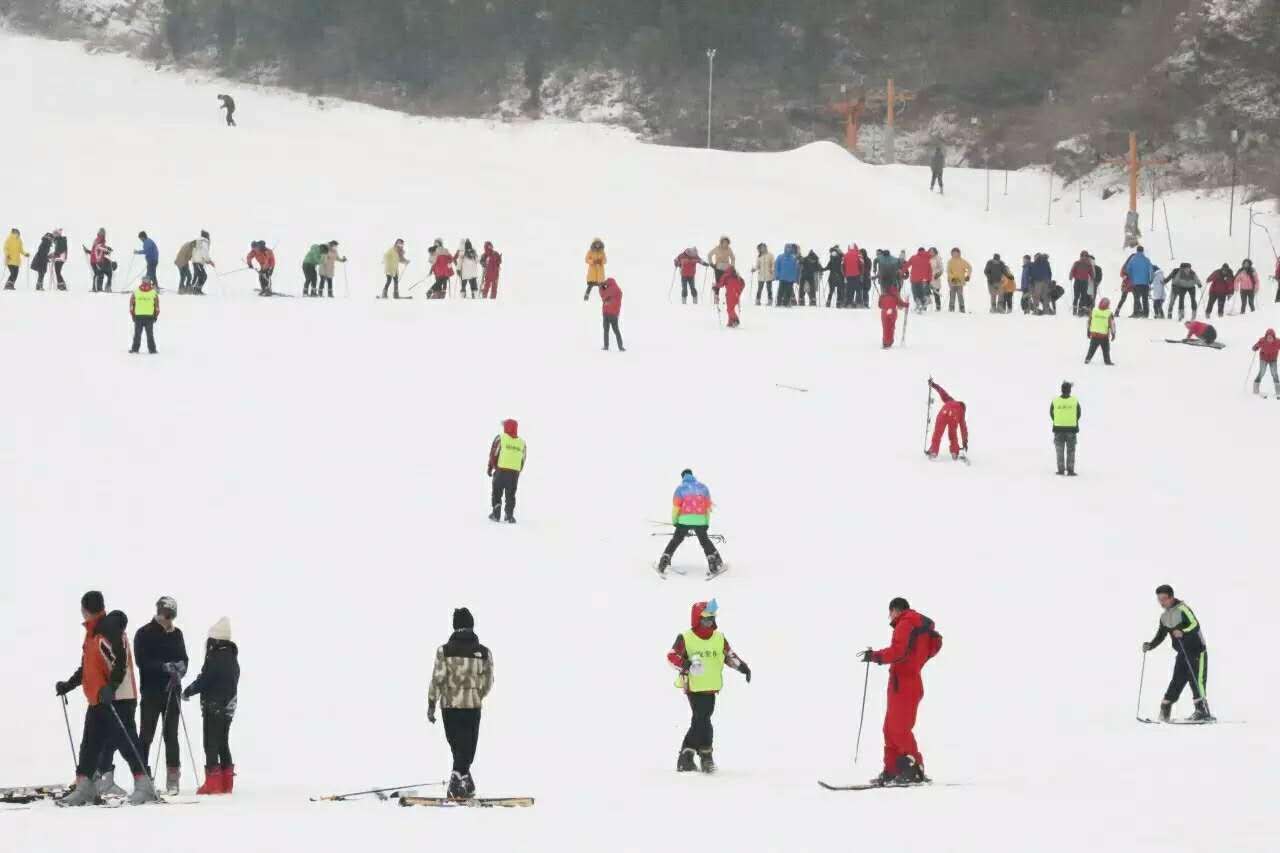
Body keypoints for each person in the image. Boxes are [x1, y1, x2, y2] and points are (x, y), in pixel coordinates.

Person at [55, 590, 157, 806]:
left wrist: (111, 687)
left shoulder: (107, 628)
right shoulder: (93, 633)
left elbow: (120, 661)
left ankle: (145, 786)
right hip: (100, 698)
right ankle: (85, 787)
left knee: (127, 742)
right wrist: (68, 685)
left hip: (118, 698)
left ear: (85, 609)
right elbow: (88, 669)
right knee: (90, 744)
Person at [858, 597, 942, 786]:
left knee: (899, 729)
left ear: (896, 610)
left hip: (904, 683)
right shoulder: (917, 626)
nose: (890, 617)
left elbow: (898, 651)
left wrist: (876, 656)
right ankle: (893, 770)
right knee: (890, 729)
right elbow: (919, 652)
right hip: (905, 682)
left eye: (890, 613)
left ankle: (914, 768)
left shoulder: (905, 623)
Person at [666, 599, 750, 774]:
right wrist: (686, 664)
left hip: (711, 686)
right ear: (696, 620)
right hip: (694, 686)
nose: (709, 623)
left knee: (701, 720)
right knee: (703, 719)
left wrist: (742, 667)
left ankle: (688, 755)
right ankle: (704, 756)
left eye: (711, 619)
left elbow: (728, 655)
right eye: (705, 619)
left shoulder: (719, 637)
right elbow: (672, 656)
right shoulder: (686, 637)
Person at [427, 607, 494, 800]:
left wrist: (432, 702)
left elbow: (437, 679)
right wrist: (477, 694)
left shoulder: (444, 651)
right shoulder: (483, 652)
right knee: (468, 746)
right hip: (472, 706)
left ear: (454, 626)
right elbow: (488, 680)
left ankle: (461, 781)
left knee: (457, 746)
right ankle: (461, 781)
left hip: (449, 706)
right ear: (472, 626)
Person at [134, 596, 188, 795]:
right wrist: (163, 667)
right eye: (166, 615)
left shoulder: (177, 634)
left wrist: (180, 670)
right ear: (159, 613)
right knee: (146, 734)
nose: (169, 620)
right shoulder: (144, 633)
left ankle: (173, 778)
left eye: (171, 616)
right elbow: (142, 661)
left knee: (171, 735)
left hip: (172, 690)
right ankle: (142, 776)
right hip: (151, 691)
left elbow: (184, 658)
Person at [182, 618, 240, 794]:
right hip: (229, 705)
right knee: (223, 742)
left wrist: (189, 690)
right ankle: (226, 782)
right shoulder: (232, 657)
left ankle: (213, 783)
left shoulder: (216, 657)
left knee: (210, 743)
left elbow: (206, 680)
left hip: (214, 705)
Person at [1143, 585, 1211, 722]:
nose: (1162, 602)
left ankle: (1202, 711)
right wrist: (1150, 645)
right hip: (1182, 653)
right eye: (1159, 600)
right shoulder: (1164, 617)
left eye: (1164, 599)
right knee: (1177, 681)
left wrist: (1183, 632)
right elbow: (1161, 635)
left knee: (1196, 680)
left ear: (1171, 597)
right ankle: (1165, 710)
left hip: (1197, 651)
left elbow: (1194, 624)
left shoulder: (1183, 609)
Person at [656, 470, 724, 576]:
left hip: (684, 520)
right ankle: (714, 560)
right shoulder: (703, 488)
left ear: (683, 477)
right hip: (700, 520)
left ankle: (665, 558)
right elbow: (707, 508)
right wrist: (706, 522)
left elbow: (676, 508)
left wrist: (675, 522)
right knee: (705, 541)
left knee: (675, 540)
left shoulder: (680, 489)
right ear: (692, 476)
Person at [486, 419, 525, 523]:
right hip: (514, 474)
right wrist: (518, 471)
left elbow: (494, 453)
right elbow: (523, 458)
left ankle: (496, 513)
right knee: (511, 494)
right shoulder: (522, 443)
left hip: (501, 471)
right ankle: (509, 515)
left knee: (497, 492)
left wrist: (490, 467)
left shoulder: (501, 438)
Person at [925, 380, 968, 460]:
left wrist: (934, 385)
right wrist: (965, 441)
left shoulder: (950, 400)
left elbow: (942, 392)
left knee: (938, 433)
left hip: (943, 413)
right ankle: (954, 452)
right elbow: (963, 428)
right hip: (954, 417)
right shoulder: (961, 412)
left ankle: (933, 451)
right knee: (953, 434)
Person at [1050, 381, 1081, 476]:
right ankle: (1070, 470)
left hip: (1058, 429)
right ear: (1070, 391)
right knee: (1071, 450)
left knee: (1059, 450)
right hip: (1071, 429)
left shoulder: (1055, 401)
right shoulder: (1075, 401)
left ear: (1061, 390)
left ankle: (1060, 469)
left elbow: (1051, 413)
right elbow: (1078, 414)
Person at [129, 277, 160, 355]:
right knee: (150, 334)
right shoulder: (153, 293)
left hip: (138, 317)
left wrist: (133, 315)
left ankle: (135, 349)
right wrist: (155, 316)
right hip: (149, 317)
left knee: (137, 334)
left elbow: (131, 306)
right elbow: (157, 307)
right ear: (150, 282)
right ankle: (152, 350)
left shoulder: (136, 292)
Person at [1122, 246, 1154, 318]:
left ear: (1137, 251)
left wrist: (1132, 278)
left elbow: (1128, 269)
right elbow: (1151, 271)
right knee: (1145, 298)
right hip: (1145, 283)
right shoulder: (1147, 260)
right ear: (1143, 251)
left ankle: (1136, 313)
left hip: (1135, 283)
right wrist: (1150, 280)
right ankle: (1145, 314)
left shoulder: (1132, 260)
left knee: (1136, 298)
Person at [879, 277, 909, 349]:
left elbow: (879, 305)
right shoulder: (895, 295)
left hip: (884, 312)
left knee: (885, 327)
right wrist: (906, 304)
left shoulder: (882, 295)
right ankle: (889, 341)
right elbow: (900, 304)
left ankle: (885, 342)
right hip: (892, 312)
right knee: (891, 327)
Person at [1084, 297, 1116, 366]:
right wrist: (1113, 334)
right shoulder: (1109, 313)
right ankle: (1107, 361)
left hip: (1094, 334)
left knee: (1092, 348)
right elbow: (1112, 324)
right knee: (1106, 349)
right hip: (1103, 336)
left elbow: (1089, 321)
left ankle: (1087, 359)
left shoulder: (1094, 311)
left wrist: (1088, 331)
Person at [1252, 328, 1280, 396]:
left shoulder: (1278, 342)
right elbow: (1255, 346)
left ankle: (1278, 391)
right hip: (1263, 359)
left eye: (1271, 337)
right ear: (1266, 337)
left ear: (1274, 337)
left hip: (1273, 359)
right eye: (1268, 337)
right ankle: (1256, 388)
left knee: (1274, 373)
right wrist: (1255, 347)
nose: (1269, 339)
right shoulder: (1262, 340)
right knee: (1262, 371)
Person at [707, 236, 735, 302]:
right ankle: (716, 297)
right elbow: (709, 255)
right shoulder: (717, 248)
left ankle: (728, 297)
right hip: (718, 268)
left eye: (727, 242)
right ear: (721, 242)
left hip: (727, 268)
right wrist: (711, 263)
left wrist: (732, 266)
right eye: (724, 242)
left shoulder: (729, 249)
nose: (725, 244)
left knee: (728, 283)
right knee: (719, 283)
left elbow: (733, 258)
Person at [906, 248, 933, 313]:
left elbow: (906, 265)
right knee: (922, 293)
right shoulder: (928, 259)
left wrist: (901, 272)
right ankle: (923, 303)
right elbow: (930, 270)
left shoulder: (914, 257)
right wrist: (929, 279)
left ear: (918, 251)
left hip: (914, 279)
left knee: (916, 293)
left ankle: (919, 305)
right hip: (924, 280)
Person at [1069, 251, 1095, 317]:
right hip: (1078, 281)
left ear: (1087, 257)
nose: (1084, 257)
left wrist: (1092, 277)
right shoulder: (1077, 263)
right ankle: (1075, 310)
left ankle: (1080, 311)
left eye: (1085, 256)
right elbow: (1072, 270)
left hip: (1084, 282)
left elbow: (1091, 273)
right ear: (1080, 256)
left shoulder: (1088, 264)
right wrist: (1071, 276)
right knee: (1076, 296)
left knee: (1083, 297)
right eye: (1082, 256)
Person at [191, 230, 215, 295]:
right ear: (206, 236)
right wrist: (209, 261)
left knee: (200, 275)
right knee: (203, 276)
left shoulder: (199, 241)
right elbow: (204, 252)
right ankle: (196, 290)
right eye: (208, 236)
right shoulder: (204, 242)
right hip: (198, 261)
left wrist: (206, 260)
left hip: (196, 261)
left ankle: (195, 290)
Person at [842, 244, 863, 308]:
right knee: (858, 289)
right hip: (857, 275)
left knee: (849, 289)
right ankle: (859, 304)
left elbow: (842, 265)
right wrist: (861, 274)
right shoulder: (859, 254)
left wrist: (844, 274)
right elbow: (862, 264)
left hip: (848, 275)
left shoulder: (845, 255)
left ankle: (849, 303)